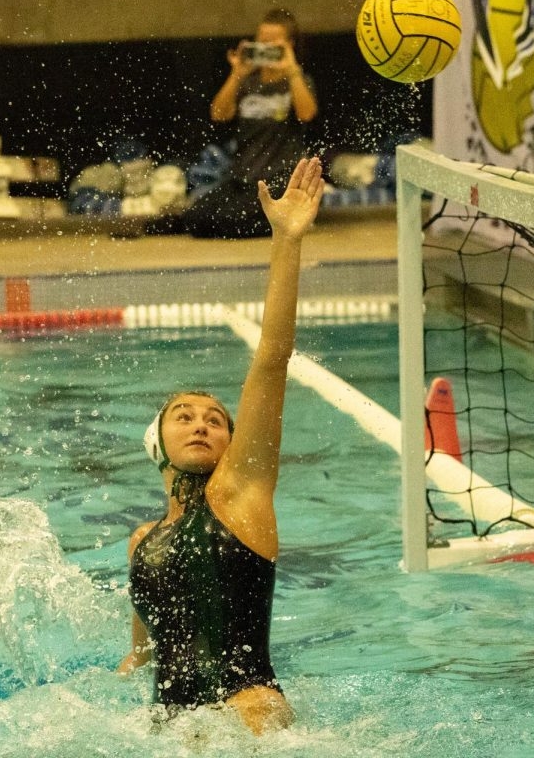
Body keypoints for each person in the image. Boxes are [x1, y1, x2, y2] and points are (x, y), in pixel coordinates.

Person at [117, 156, 324, 735]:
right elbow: (143, 656)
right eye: (182, 417)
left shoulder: (240, 497)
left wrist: (286, 239)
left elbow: (272, 358)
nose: (201, 424)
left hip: (248, 715)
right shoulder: (140, 543)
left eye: (215, 419)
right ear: (155, 444)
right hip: (171, 729)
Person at [184, 8, 319, 239]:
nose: (265, 47)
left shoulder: (298, 81)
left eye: (272, 43)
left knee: (237, 220)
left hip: (280, 180)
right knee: (196, 216)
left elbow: (307, 114)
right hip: (243, 178)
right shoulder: (248, 83)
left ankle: (288, 221)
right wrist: (237, 73)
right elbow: (218, 114)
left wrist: (292, 69)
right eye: (261, 41)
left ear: (289, 45)